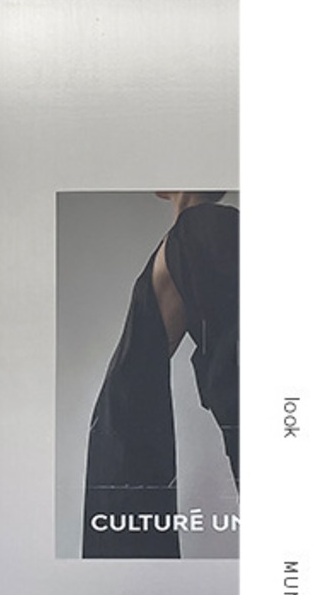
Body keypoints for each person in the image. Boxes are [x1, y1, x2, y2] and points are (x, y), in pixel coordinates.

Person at [82, 192, 239, 558]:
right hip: (118, 445)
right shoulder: (191, 232)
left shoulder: (207, 228)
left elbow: (236, 360)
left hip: (123, 449)